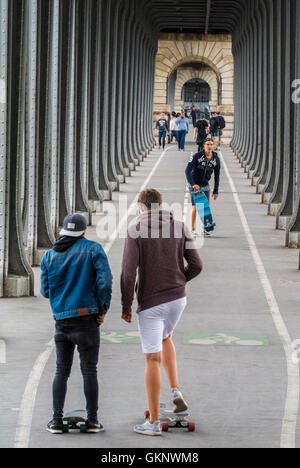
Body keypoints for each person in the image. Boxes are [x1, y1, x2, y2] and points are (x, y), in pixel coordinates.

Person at [121, 189, 203, 436]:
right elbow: (197, 265)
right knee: (166, 337)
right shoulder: (179, 226)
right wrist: (180, 281)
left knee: (152, 359)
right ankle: (175, 390)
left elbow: (128, 273)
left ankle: (154, 422)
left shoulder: (135, 229)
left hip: (152, 302)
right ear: (160, 206)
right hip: (178, 299)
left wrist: (126, 306)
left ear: (142, 208)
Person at [41, 213, 113, 434]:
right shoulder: (93, 250)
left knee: (61, 370)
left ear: (64, 230)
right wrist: (102, 309)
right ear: (83, 231)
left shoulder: (49, 256)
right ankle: (92, 421)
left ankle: (56, 421)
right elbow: (105, 282)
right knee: (89, 370)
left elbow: (45, 291)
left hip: (61, 322)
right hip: (87, 320)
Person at [185, 138, 221, 237]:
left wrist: (216, 191)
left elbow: (217, 175)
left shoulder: (216, 159)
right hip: (194, 184)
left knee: (205, 208)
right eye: (207, 144)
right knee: (196, 207)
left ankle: (206, 228)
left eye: (211, 144)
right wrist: (193, 184)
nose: (209, 146)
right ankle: (192, 229)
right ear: (204, 146)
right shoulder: (197, 156)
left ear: (213, 146)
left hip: (205, 184)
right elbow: (187, 171)